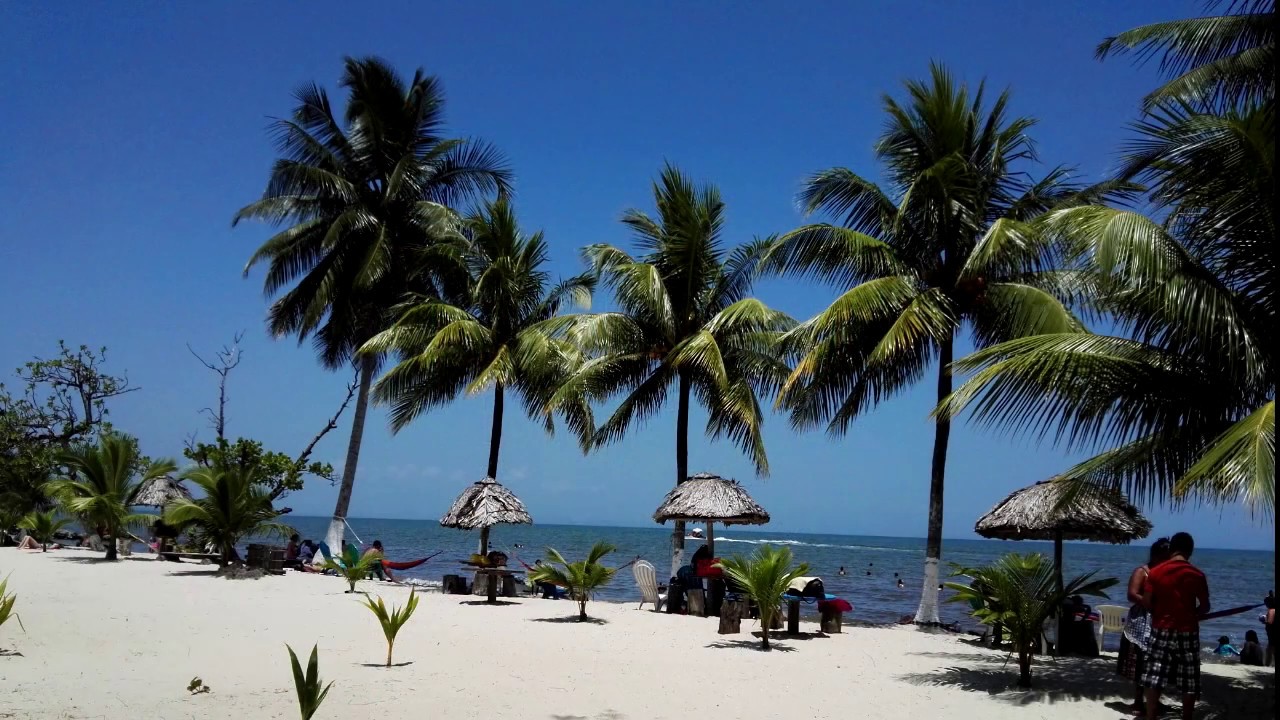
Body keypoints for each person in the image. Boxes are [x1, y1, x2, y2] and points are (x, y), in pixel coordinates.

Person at [1141, 532, 1209, 720]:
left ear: (1171, 549)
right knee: (1189, 676)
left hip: (1161, 626)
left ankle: (1151, 716)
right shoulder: (1197, 574)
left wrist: (1159, 610)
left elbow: (1147, 602)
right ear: (1191, 551)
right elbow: (1205, 607)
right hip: (1187, 629)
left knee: (1155, 673)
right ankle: (1186, 717)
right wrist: (1193, 613)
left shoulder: (1155, 572)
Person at [1118, 537, 1171, 714]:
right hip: (1141, 622)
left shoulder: (1165, 573)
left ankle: (1154, 701)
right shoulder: (1142, 571)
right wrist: (1150, 604)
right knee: (1141, 662)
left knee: (1159, 663)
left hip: (1159, 620)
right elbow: (1132, 594)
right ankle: (1138, 700)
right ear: (1156, 555)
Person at [1264, 594, 1276, 667]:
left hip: (1272, 635)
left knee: (1269, 651)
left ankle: (1267, 666)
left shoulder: (1271, 610)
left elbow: (1270, 623)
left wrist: (1263, 620)